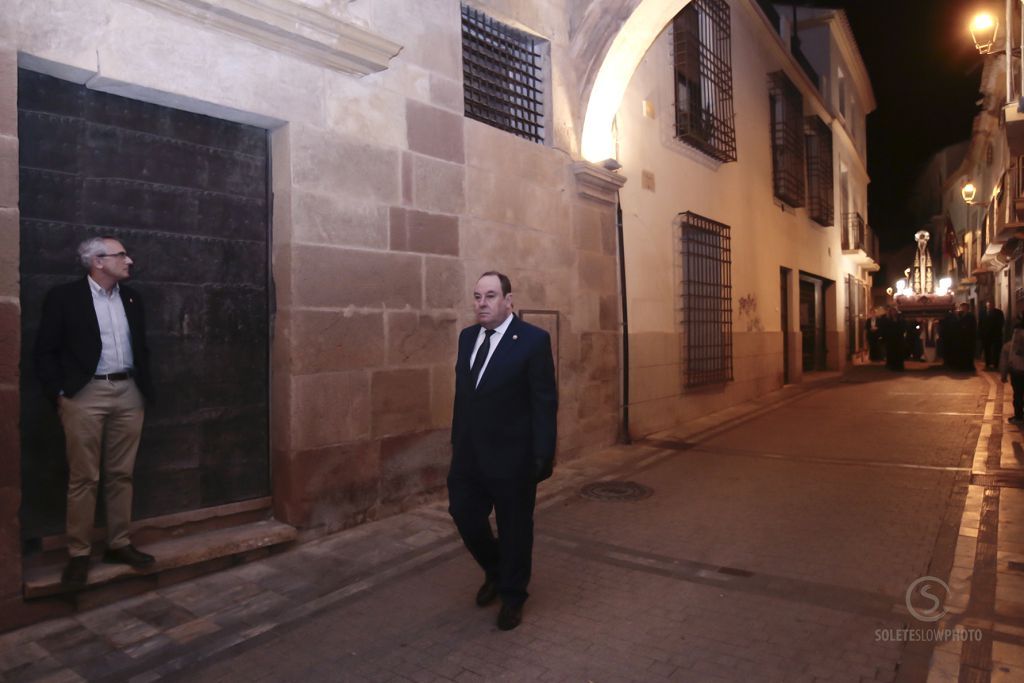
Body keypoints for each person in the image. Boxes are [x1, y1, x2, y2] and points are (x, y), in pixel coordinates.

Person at [34, 236, 156, 588]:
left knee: (122, 474)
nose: (129, 260)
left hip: (129, 392)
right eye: (121, 255)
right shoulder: (64, 297)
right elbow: (45, 350)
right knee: (84, 477)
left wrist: (143, 388)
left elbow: (142, 347)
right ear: (97, 262)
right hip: (84, 394)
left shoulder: (132, 298)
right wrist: (59, 393)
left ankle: (119, 544)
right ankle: (79, 554)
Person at [449, 271, 557, 631]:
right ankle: (496, 570)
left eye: (491, 296)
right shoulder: (467, 338)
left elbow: (544, 400)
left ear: (509, 300)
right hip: (469, 456)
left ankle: (512, 596)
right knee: (464, 514)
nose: (482, 303)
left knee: (514, 530)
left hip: (513, 458)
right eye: (477, 296)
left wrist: (543, 453)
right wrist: (457, 442)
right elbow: (465, 397)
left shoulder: (532, 341)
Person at [1000, 317, 1024, 425]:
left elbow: (1004, 361)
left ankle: (1019, 417)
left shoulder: (1009, 345)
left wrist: (1003, 374)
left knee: (1018, 394)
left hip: (1017, 371)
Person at [879, 306, 906, 371]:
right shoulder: (886, 319)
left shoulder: (900, 318)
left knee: (899, 352)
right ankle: (893, 366)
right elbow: (884, 329)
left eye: (894, 311)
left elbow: (903, 327)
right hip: (890, 339)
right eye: (892, 311)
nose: (893, 313)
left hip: (899, 338)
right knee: (891, 352)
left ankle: (899, 366)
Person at [980, 302, 1006, 370]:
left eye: (991, 305)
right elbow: (980, 323)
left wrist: (996, 329)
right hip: (986, 335)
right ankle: (987, 364)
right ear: (986, 306)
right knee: (987, 350)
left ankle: (996, 364)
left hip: (996, 335)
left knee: (996, 350)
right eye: (988, 305)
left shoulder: (999, 312)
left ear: (994, 306)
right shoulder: (982, 313)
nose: (990, 306)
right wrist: (981, 333)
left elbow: (1001, 322)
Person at [955, 302, 977, 372]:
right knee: (961, 352)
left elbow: (973, 326)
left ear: (967, 308)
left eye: (964, 307)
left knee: (969, 352)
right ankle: (962, 366)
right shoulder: (960, 315)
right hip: (961, 337)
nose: (962, 309)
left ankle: (969, 366)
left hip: (969, 337)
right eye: (962, 307)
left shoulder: (971, 316)